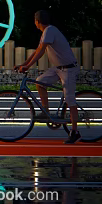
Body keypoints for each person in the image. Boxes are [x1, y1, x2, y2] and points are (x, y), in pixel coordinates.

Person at [14, 10, 81, 144]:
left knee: (69, 99)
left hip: (68, 69)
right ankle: (46, 111)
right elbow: (38, 50)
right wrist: (24, 64)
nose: (34, 23)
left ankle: (75, 132)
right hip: (58, 68)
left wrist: (27, 66)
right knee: (40, 82)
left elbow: (41, 51)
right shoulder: (46, 32)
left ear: (37, 22)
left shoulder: (50, 30)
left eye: (35, 21)